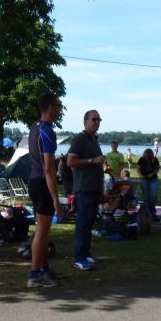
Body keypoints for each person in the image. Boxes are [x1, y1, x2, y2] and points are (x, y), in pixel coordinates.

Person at [26, 92, 63, 287]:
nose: (60, 109)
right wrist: (56, 199)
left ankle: (44, 268)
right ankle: (34, 275)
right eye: (58, 105)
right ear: (49, 107)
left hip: (34, 181)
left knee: (43, 230)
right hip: (42, 183)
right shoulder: (47, 131)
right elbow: (49, 169)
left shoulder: (35, 127)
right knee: (42, 231)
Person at [67, 110, 106, 271]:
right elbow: (70, 161)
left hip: (94, 188)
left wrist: (101, 190)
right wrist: (92, 160)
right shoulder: (79, 139)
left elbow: (98, 166)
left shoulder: (94, 140)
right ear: (85, 122)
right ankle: (79, 258)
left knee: (90, 223)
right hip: (83, 189)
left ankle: (86, 253)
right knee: (83, 224)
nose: (97, 122)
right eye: (94, 119)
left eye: (99, 119)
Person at [137, 148, 160, 219]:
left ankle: (152, 209)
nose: (147, 157)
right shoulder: (141, 159)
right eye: (146, 155)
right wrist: (141, 176)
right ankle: (147, 211)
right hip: (144, 179)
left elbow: (157, 169)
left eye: (149, 155)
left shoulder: (155, 159)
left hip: (154, 179)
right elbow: (138, 169)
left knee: (154, 195)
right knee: (146, 196)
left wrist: (152, 174)